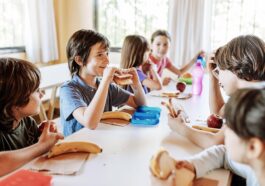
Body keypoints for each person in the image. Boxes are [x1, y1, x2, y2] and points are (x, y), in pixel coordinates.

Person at [152, 88, 265, 186]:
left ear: (253, 147)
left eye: (228, 129)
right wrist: (193, 165)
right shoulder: (255, 164)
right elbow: (224, 154)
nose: (224, 133)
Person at [168, 35, 265, 148]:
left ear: (235, 67)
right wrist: (212, 77)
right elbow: (218, 115)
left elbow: (215, 142)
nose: (218, 77)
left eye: (219, 70)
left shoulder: (253, 99)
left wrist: (181, 128)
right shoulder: (252, 92)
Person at [60, 29, 147, 136]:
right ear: (80, 60)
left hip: (101, 140)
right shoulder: (68, 89)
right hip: (77, 147)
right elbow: (90, 123)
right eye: (100, 55)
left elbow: (141, 104)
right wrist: (105, 81)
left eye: (107, 54)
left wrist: (136, 83)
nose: (107, 60)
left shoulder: (106, 86)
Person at [0, 58, 63, 176]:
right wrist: (41, 146)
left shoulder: (28, 123)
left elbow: (35, 158)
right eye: (36, 90)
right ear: (16, 100)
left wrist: (44, 138)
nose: (42, 93)